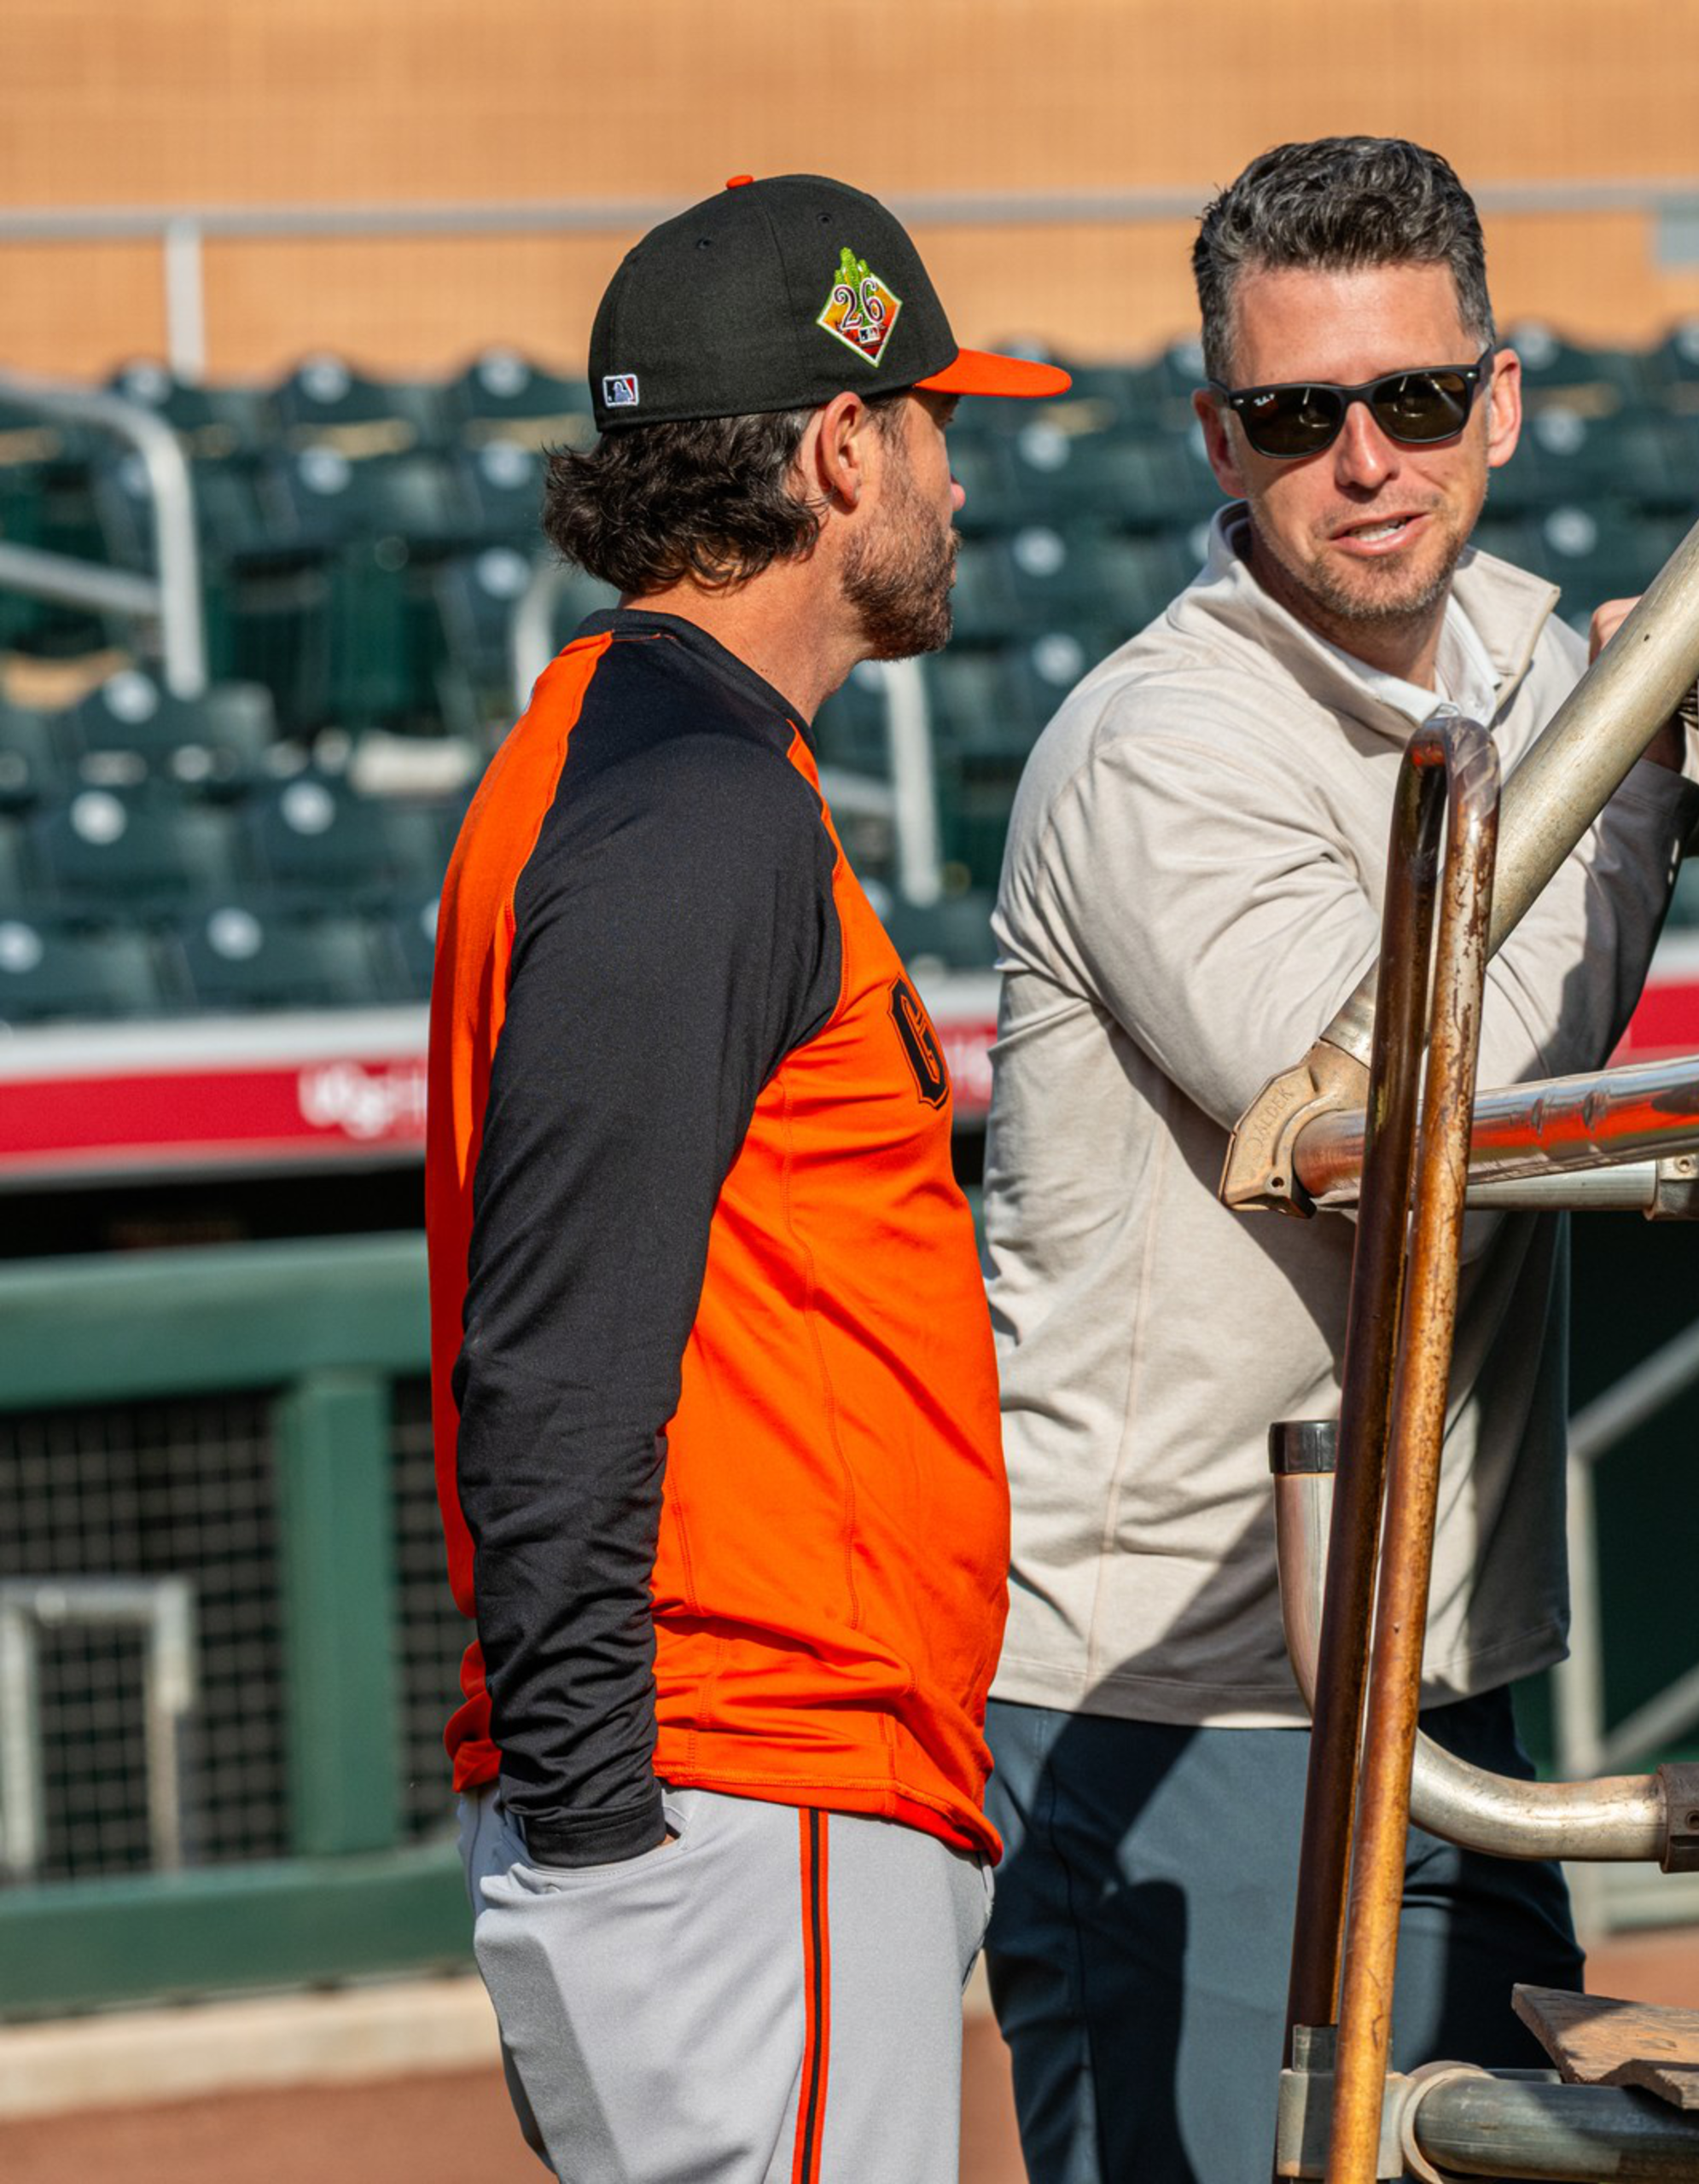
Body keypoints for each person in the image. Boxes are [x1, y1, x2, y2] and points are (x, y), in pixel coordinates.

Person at [975, 134, 1699, 2184]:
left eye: (1415, 399)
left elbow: (1672, 715)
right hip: (1189, 1707)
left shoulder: (1541, 654)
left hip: (1447, 1695)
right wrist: (1654, 747)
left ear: (1499, 400)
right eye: (1298, 415)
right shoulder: (1157, 741)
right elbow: (1401, 1122)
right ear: (1219, 438)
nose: (1366, 459)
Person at [423, 173, 1069, 2182]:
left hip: (748, 1778)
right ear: (838, 445)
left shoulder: (653, 764)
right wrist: (610, 1829)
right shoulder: (686, 814)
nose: (958, 482)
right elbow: (556, 1366)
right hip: (731, 1777)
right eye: (937, 425)